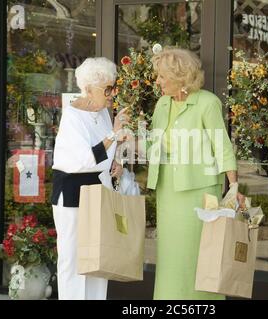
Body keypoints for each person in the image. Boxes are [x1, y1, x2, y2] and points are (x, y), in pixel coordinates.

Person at [146, 48, 245, 300]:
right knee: (170, 256)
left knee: (199, 255)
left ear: (179, 77)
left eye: (161, 76)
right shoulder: (161, 104)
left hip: (199, 193)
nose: (157, 81)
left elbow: (221, 146)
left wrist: (233, 186)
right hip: (167, 191)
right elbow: (154, 145)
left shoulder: (207, 103)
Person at [51, 57, 129, 300]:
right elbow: (83, 159)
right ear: (87, 88)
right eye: (107, 89)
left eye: (113, 88)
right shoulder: (72, 116)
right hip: (73, 194)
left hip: (98, 192)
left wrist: (115, 163)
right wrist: (112, 135)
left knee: (98, 258)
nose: (111, 94)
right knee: (73, 261)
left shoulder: (104, 112)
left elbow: (103, 155)